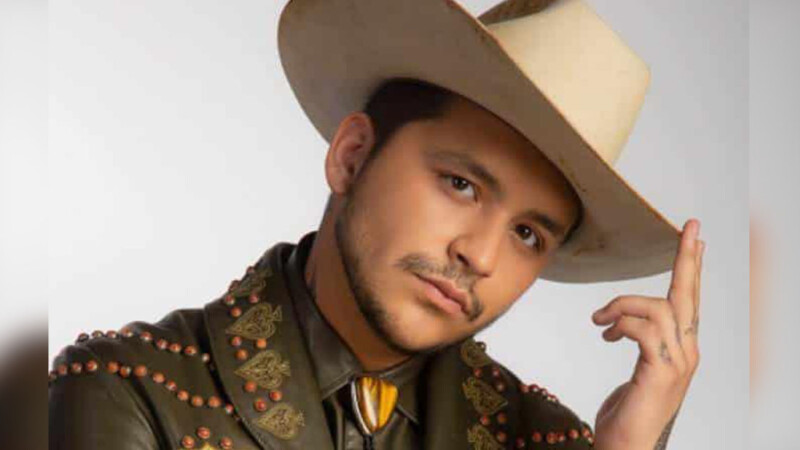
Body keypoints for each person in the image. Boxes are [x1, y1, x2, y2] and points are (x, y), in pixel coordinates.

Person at [49, 0, 705, 449]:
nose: (480, 256)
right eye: (461, 184)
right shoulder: (126, 392)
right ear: (352, 156)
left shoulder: (545, 439)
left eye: (528, 234)